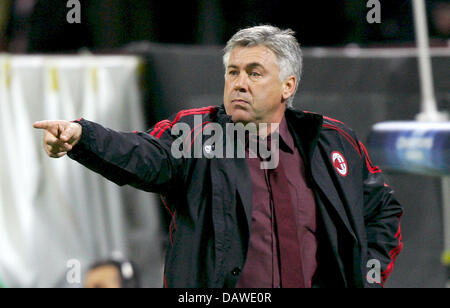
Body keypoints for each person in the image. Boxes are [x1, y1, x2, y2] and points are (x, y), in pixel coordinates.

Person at [33, 25, 403, 288]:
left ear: (287, 86)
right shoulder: (196, 134)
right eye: (233, 72)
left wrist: (368, 276)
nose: (239, 83)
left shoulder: (333, 141)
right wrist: (83, 137)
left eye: (254, 73)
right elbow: (143, 154)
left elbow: (383, 209)